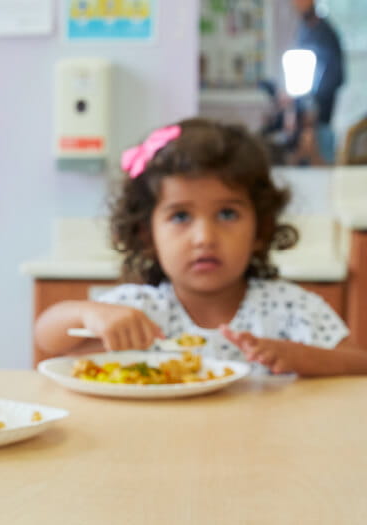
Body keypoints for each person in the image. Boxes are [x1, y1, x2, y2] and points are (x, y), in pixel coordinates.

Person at [34, 118, 367, 376]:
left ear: (260, 229)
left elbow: (359, 364)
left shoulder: (293, 311)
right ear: (147, 234)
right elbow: (46, 335)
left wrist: (303, 358)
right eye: (180, 216)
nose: (204, 237)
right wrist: (90, 314)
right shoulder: (137, 310)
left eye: (227, 214)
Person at [292, 0, 344, 165]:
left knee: (323, 165)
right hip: (302, 117)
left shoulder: (326, 33)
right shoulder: (304, 31)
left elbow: (337, 75)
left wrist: (315, 103)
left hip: (322, 116)